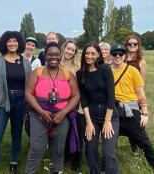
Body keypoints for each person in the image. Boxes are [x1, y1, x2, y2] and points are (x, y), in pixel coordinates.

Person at [24, 42, 80, 174]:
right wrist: (41, 111)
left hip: (62, 116)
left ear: (60, 56)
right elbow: (28, 93)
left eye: (56, 54)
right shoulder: (36, 73)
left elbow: (76, 95)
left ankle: (57, 170)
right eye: (50, 54)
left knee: (58, 149)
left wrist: (63, 113)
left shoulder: (68, 75)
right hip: (39, 115)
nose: (54, 57)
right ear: (45, 55)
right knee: (36, 148)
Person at [110, 43, 154, 174]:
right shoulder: (106, 70)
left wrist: (144, 113)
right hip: (112, 110)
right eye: (114, 54)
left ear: (125, 56)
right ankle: (106, 165)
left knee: (143, 140)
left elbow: (141, 93)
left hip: (130, 110)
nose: (117, 56)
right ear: (110, 56)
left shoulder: (132, 71)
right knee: (109, 141)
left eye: (120, 54)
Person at [0, 31, 31, 174]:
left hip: (20, 102)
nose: (12, 43)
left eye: (15, 41)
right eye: (9, 41)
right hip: (2, 102)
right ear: (5, 43)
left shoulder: (25, 62)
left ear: (19, 43)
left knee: (16, 133)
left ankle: (13, 161)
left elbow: (30, 85)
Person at [77, 42, 119, 174]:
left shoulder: (105, 69)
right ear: (83, 55)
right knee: (90, 150)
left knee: (108, 153)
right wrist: (89, 123)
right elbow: (84, 100)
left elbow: (111, 97)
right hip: (92, 116)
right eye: (87, 53)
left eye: (93, 53)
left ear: (98, 55)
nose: (89, 56)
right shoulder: (81, 73)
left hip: (109, 114)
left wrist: (107, 121)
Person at [60, 40, 83, 172]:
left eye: (72, 50)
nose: (70, 52)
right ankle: (63, 158)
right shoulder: (56, 62)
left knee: (74, 131)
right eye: (68, 49)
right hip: (59, 102)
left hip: (74, 103)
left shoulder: (78, 67)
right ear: (63, 48)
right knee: (62, 132)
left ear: (75, 53)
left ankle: (76, 161)